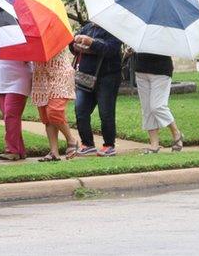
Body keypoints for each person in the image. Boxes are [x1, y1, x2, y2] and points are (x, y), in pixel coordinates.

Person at [70, 22, 123, 157]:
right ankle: (87, 144)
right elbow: (73, 47)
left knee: (106, 112)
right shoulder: (87, 28)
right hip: (85, 77)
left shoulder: (114, 29)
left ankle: (109, 145)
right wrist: (74, 42)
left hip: (107, 77)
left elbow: (111, 49)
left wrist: (91, 43)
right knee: (80, 109)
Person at [32, 47, 79, 161]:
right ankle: (54, 152)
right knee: (46, 118)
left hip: (60, 75)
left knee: (54, 111)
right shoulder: (31, 38)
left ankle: (71, 140)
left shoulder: (55, 34)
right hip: (41, 77)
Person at [132, 51, 184, 153]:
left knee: (157, 107)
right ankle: (154, 145)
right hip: (141, 69)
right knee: (147, 109)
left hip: (161, 70)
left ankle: (176, 133)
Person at [0, 59, 32, 161]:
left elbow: (28, 58)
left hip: (19, 79)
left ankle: (12, 150)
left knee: (11, 115)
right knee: (9, 118)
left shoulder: (21, 43)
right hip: (0, 80)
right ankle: (20, 150)